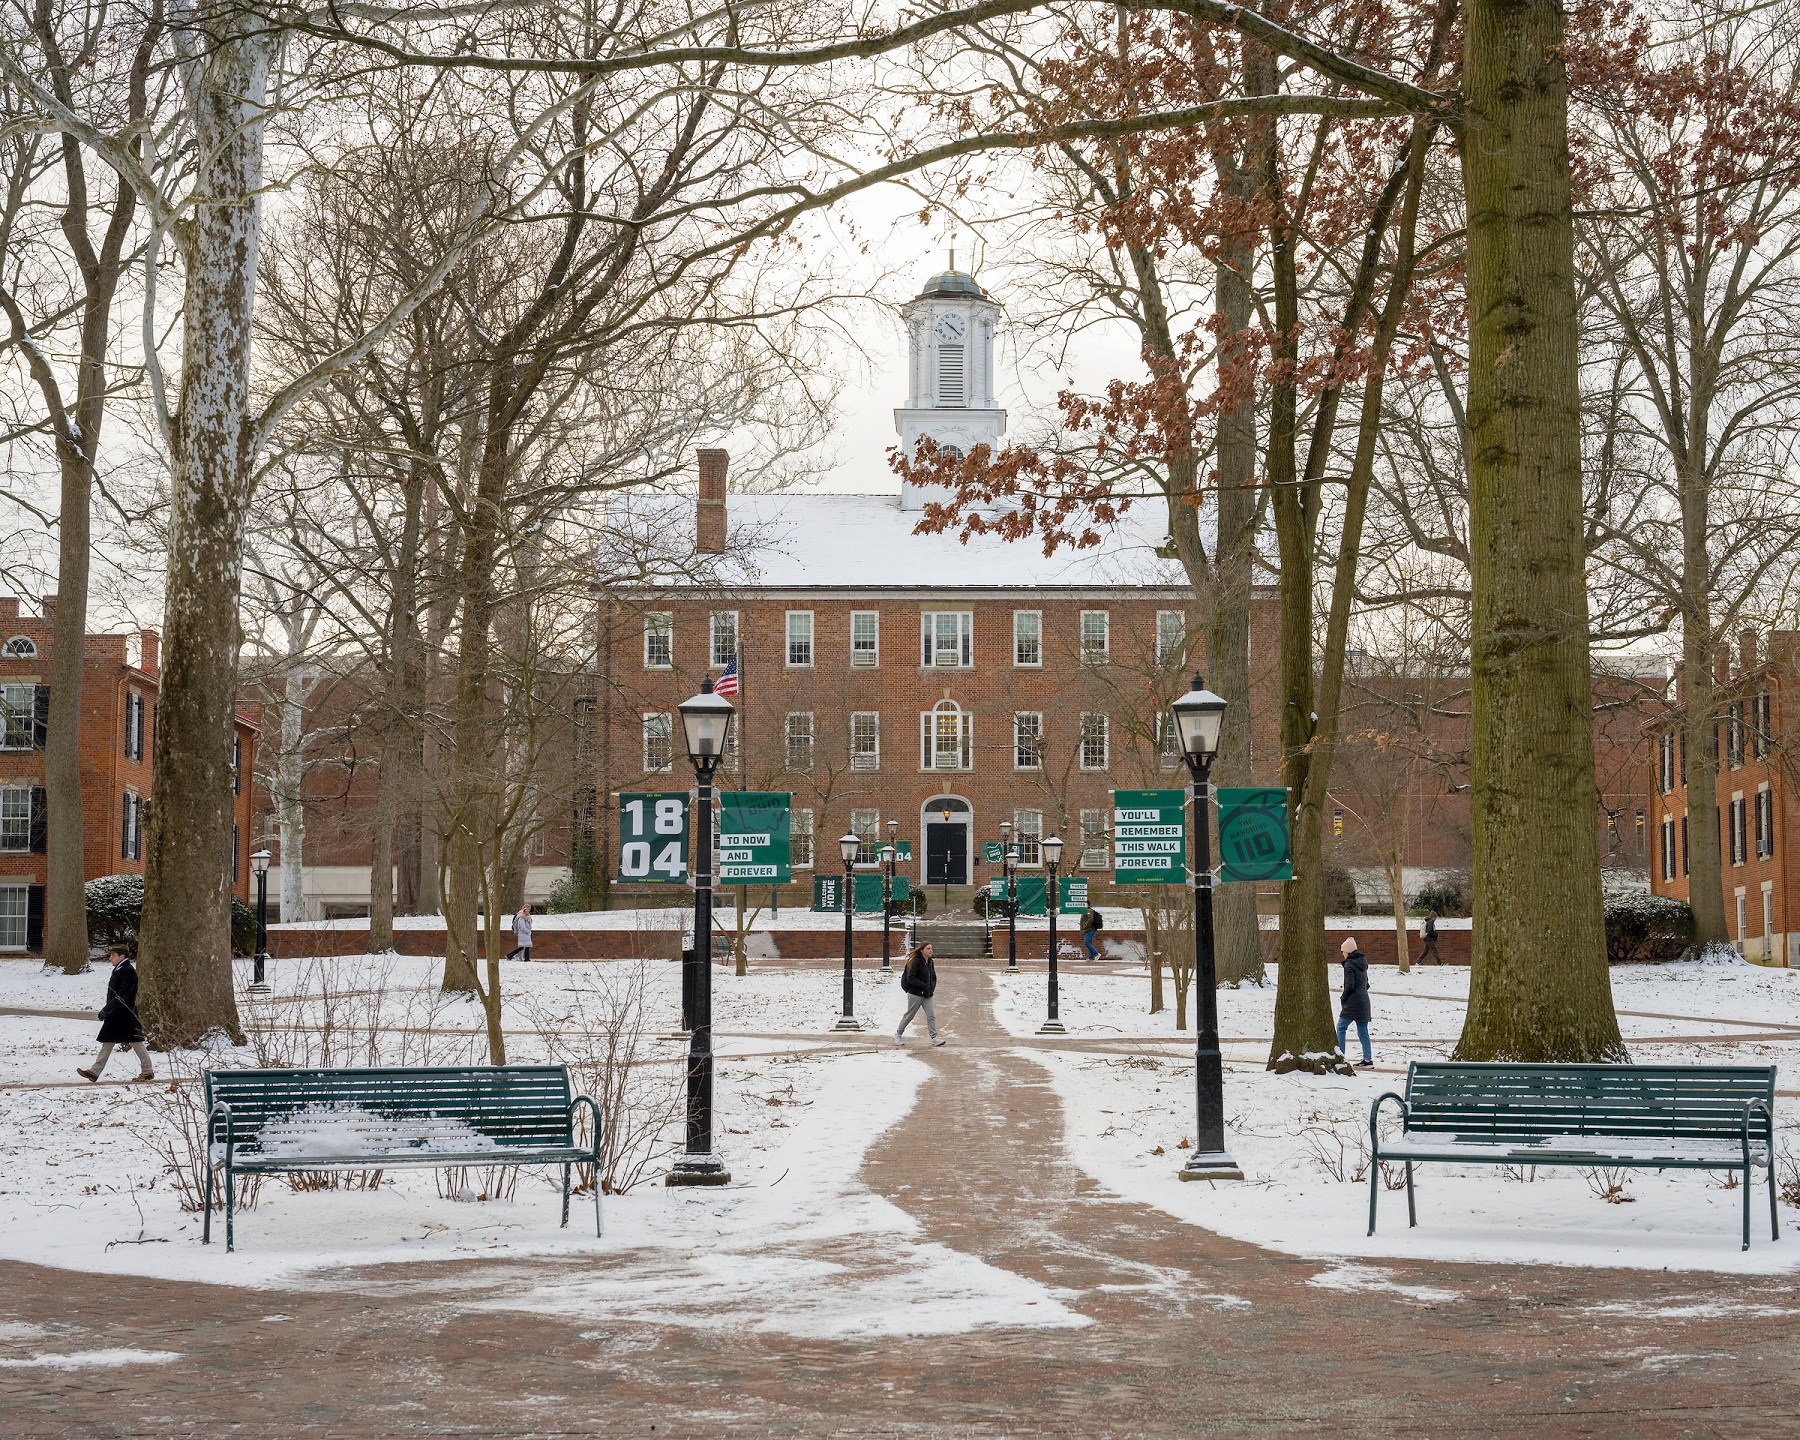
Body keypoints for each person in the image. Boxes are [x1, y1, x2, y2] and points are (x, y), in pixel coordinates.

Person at [78, 951, 154, 1083]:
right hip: (117, 1014)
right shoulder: (120, 969)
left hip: (125, 1015)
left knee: (135, 1042)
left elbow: (122, 995)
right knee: (108, 1041)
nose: (110, 958)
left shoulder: (128, 971)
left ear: (122, 956)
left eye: (113, 955)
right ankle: (95, 1071)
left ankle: (147, 1071)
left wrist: (106, 1010)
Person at [894, 941, 945, 1047]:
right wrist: (924, 986)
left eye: (931, 948)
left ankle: (934, 1038)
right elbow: (911, 978)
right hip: (915, 994)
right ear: (922, 950)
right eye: (928, 949)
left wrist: (931, 987)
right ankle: (898, 1034)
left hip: (927, 994)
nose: (931, 951)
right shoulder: (915, 961)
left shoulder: (930, 961)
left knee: (931, 1016)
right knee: (909, 1015)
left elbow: (933, 976)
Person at [1336, 935, 1373, 1067]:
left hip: (1353, 1002)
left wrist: (1344, 998)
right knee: (1363, 1030)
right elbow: (1366, 984)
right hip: (1364, 1001)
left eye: (1343, 951)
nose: (1343, 953)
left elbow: (1349, 985)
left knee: (1341, 1027)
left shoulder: (1349, 965)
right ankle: (1368, 1059)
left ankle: (1340, 1056)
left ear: (1348, 951)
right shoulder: (1362, 963)